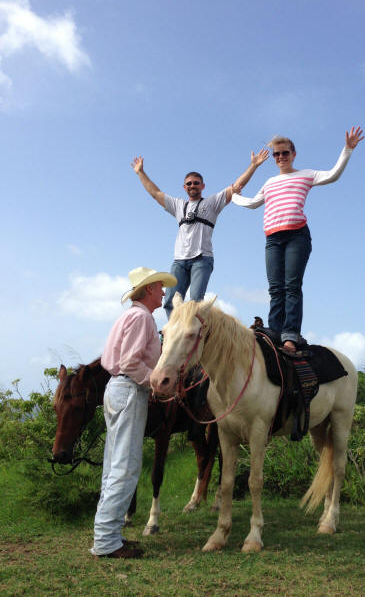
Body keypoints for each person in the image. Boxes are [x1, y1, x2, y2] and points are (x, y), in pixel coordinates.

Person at [232, 127, 364, 352]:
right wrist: (233, 196)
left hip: (297, 236)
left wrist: (348, 150)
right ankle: (273, 334)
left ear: (293, 154)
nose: (281, 157)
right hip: (272, 239)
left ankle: (290, 336)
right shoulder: (270, 182)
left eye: (285, 153)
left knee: (291, 286)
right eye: (276, 154)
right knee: (275, 289)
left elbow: (332, 175)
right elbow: (253, 202)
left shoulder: (305, 175)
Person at [91, 266, 176, 559]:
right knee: (125, 465)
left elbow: (115, 359)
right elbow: (130, 362)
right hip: (129, 390)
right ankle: (106, 541)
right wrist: (156, 384)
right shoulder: (143, 319)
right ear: (149, 289)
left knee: (114, 463)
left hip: (118, 389)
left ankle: (108, 535)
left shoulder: (129, 316)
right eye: (159, 287)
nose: (163, 292)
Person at [132, 153, 268, 317]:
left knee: (196, 301)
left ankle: (195, 335)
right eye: (188, 183)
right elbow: (155, 193)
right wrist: (140, 172)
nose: (192, 186)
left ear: (203, 186)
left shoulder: (211, 203)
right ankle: (174, 333)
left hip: (202, 259)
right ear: (184, 187)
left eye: (196, 183)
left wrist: (253, 165)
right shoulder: (178, 205)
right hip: (179, 260)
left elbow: (236, 187)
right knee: (170, 300)